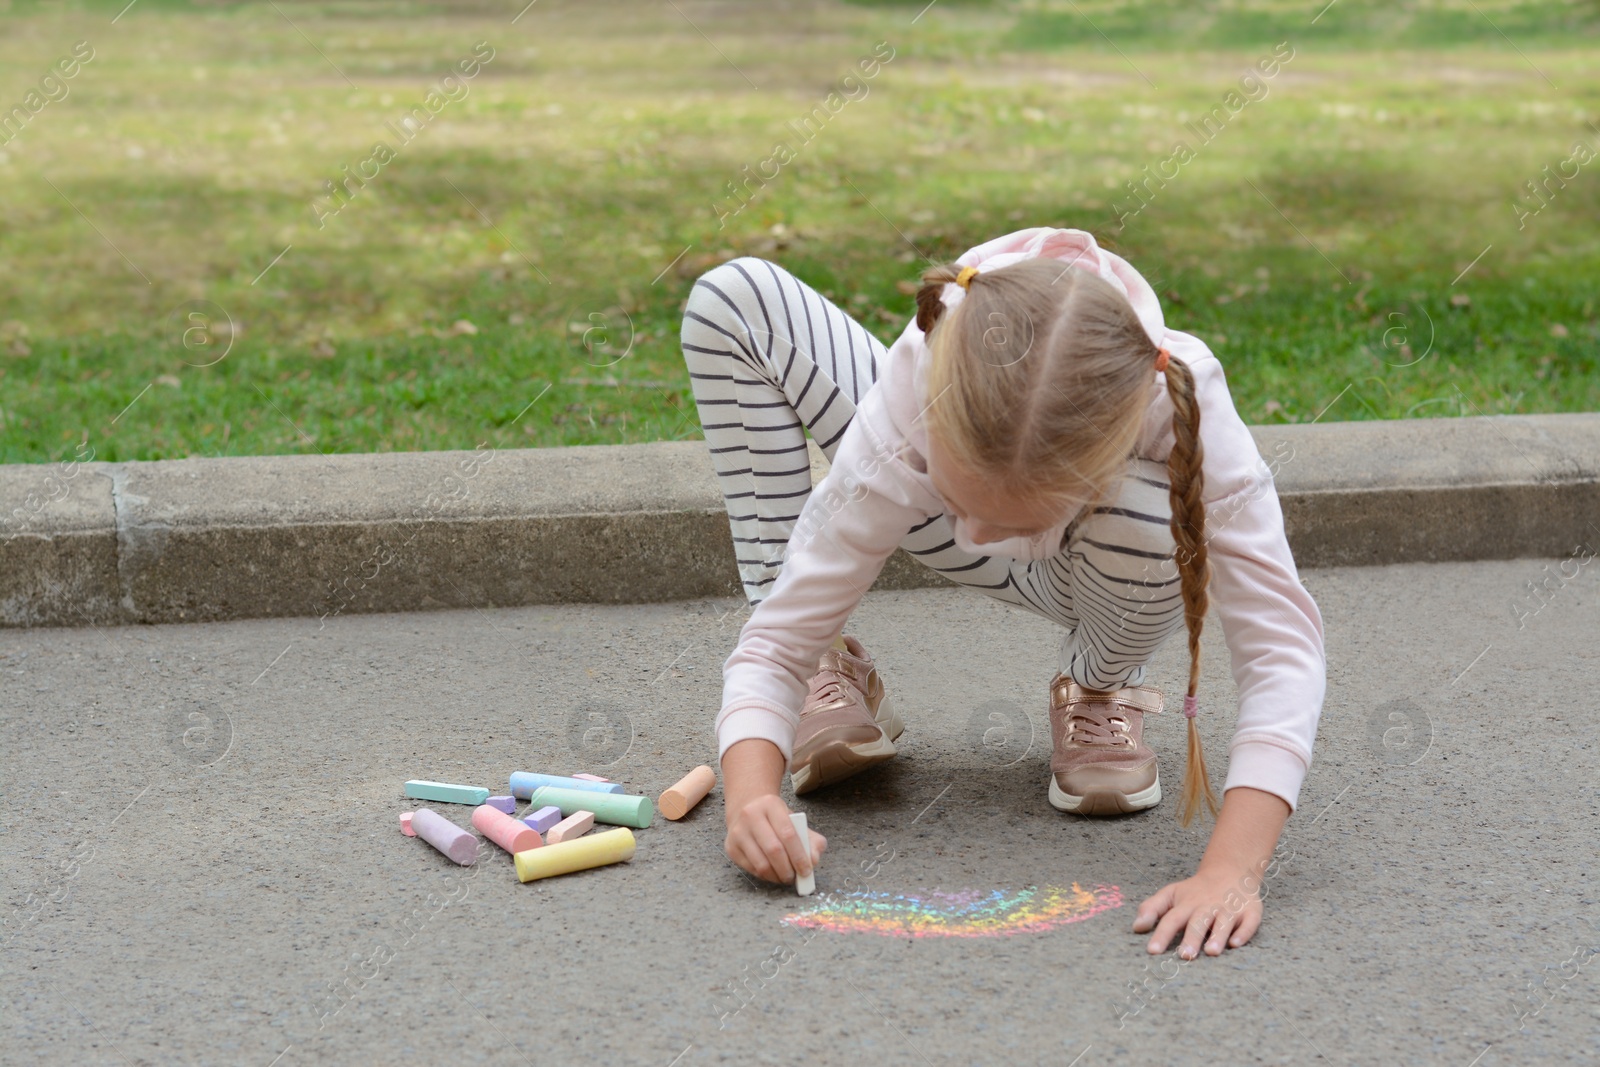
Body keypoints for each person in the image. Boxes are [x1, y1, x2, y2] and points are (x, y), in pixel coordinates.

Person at [679, 227, 1324, 958]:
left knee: (1152, 514)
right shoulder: (913, 399)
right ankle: (822, 673)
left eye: (1006, 517)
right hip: (921, 460)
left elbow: (1282, 651)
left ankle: (1099, 683)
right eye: (957, 498)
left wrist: (1232, 870)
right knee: (736, 298)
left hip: (1098, 569)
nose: (976, 536)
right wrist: (750, 794)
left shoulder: (1179, 402)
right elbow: (772, 642)